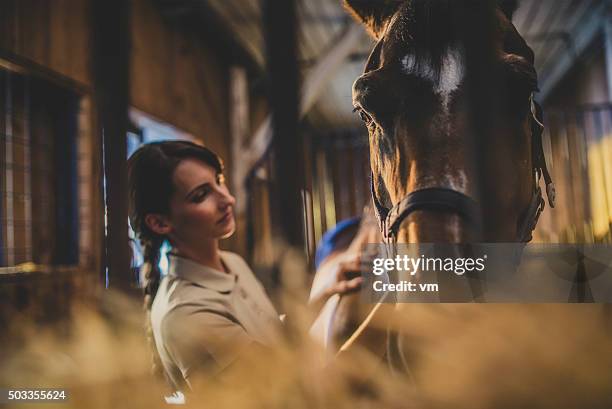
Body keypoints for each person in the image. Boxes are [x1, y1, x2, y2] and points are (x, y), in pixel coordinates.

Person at [128, 141, 283, 391]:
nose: (228, 199)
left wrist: (326, 290)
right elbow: (286, 385)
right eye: (201, 195)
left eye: (219, 180)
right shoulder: (185, 314)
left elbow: (278, 343)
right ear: (159, 222)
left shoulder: (233, 263)